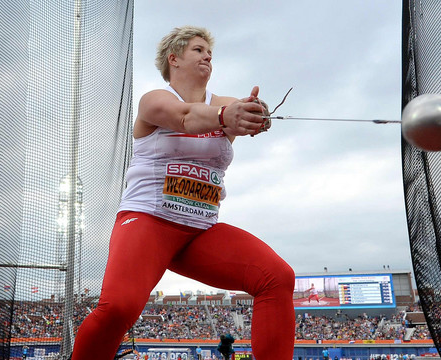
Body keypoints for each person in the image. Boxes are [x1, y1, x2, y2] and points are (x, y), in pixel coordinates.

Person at [70, 25, 295, 360]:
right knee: (119, 307)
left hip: (200, 232)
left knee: (277, 277)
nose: (207, 56)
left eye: (210, 53)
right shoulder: (155, 101)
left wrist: (256, 113)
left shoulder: (223, 103)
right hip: (149, 221)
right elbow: (187, 118)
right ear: (173, 59)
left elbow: (241, 113)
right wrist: (225, 116)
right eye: (198, 49)